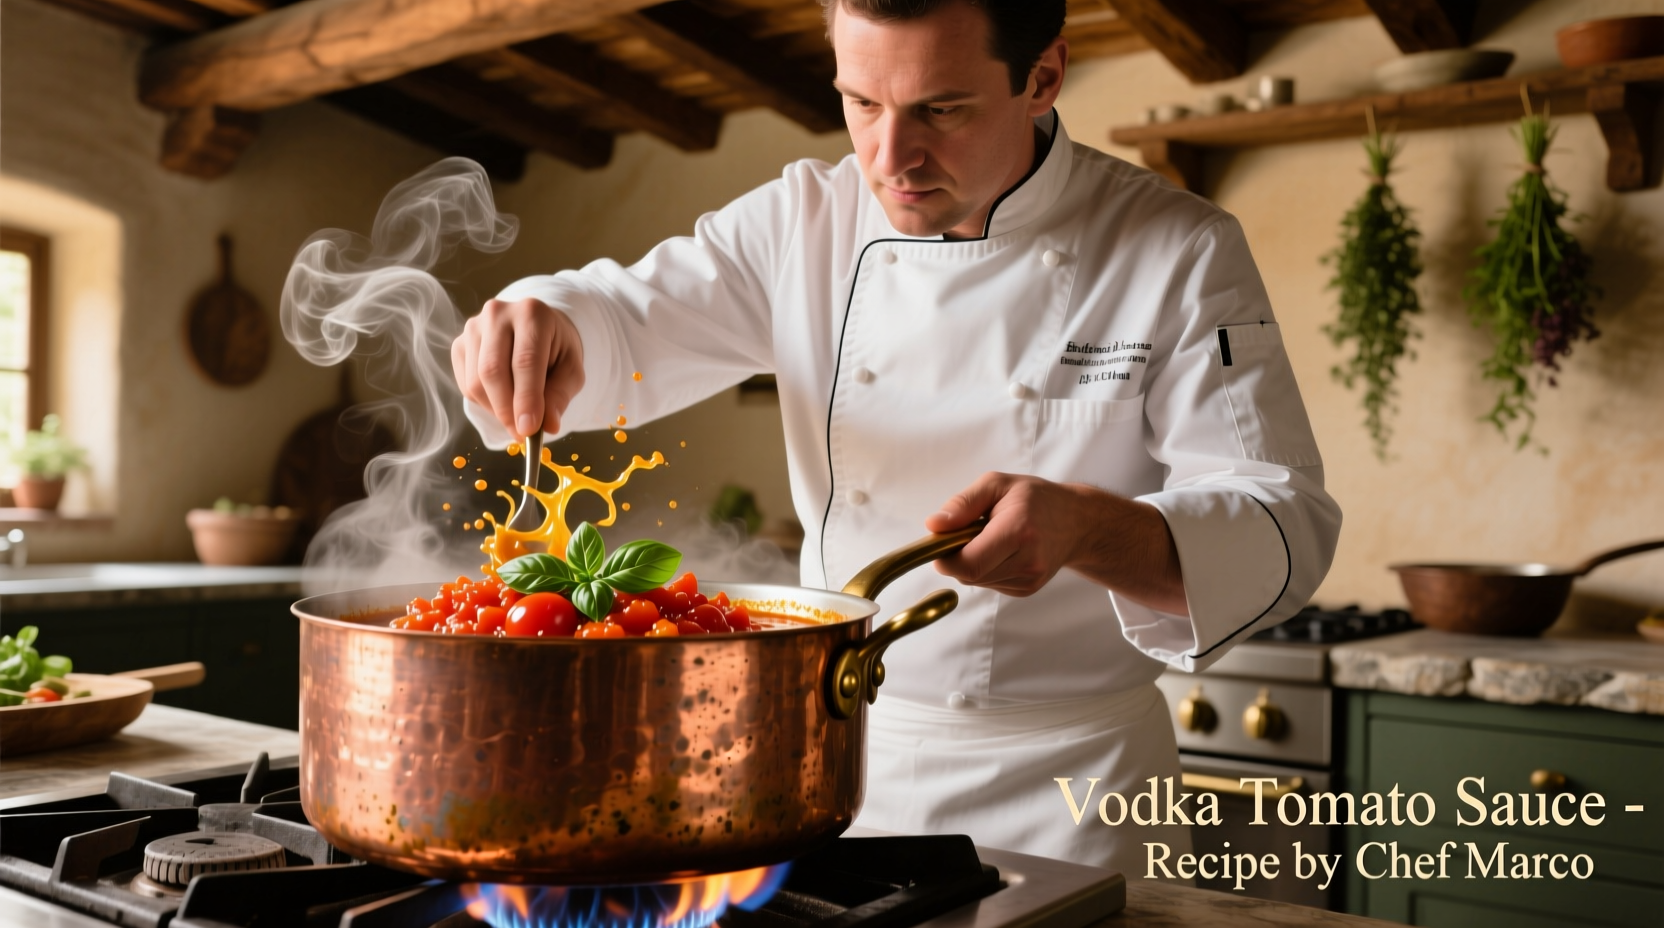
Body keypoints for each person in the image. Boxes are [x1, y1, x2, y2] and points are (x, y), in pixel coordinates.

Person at [453, 0, 1341, 876]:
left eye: (940, 111)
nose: (891, 157)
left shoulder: (1176, 249)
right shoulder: (802, 222)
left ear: (1042, 78)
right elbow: (622, 319)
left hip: (1071, 796)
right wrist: (546, 322)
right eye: (862, 103)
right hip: (832, 771)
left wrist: (1089, 529)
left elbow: (1284, 525)